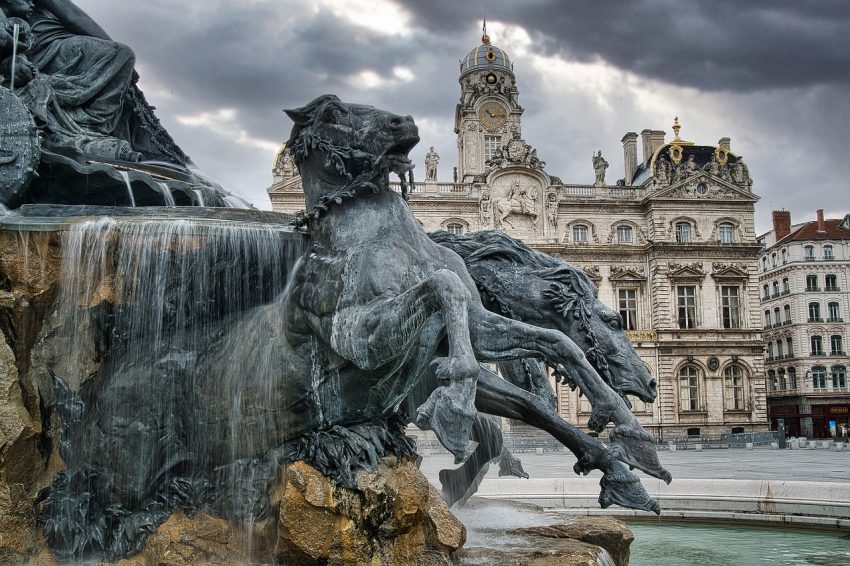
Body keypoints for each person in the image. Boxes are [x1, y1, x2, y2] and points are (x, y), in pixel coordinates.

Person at [0, 0, 187, 164]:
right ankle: (91, 127)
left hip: (45, 48)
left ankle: (86, 124)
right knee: (123, 54)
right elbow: (73, 17)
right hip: (46, 48)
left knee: (122, 58)